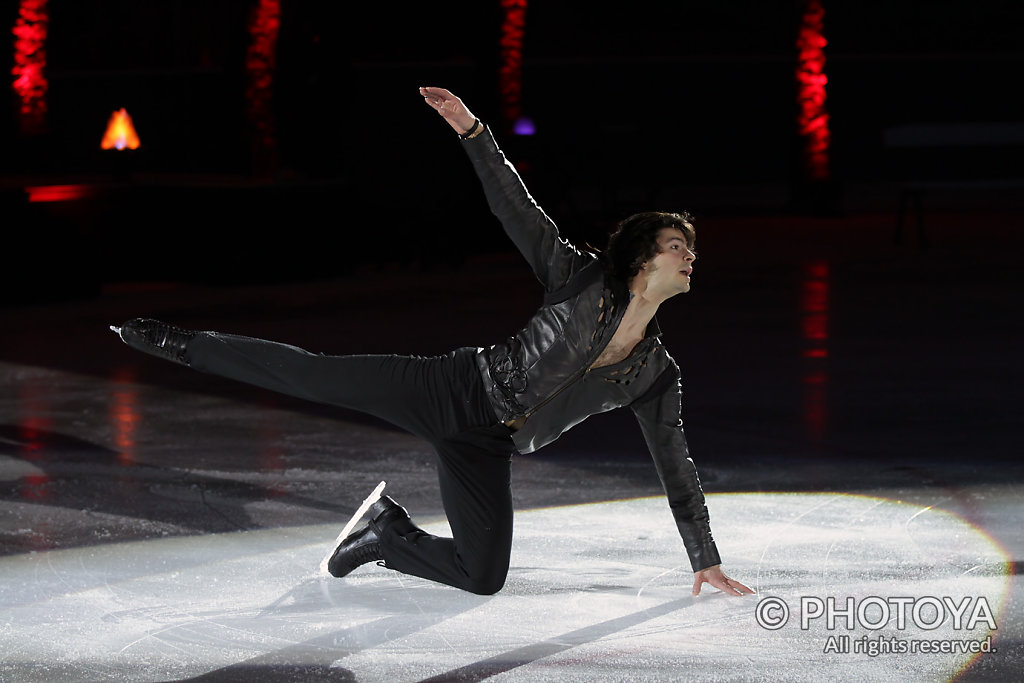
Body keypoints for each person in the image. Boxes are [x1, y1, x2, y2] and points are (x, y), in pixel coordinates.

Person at [112, 86, 753, 598]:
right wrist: (474, 134)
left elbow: (677, 468)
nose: (690, 256)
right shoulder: (578, 276)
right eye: (678, 246)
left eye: (691, 249)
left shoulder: (654, 374)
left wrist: (705, 559)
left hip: (488, 444)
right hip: (450, 387)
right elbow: (514, 207)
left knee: (483, 577)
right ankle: (179, 342)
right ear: (642, 256)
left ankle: (384, 534)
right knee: (312, 375)